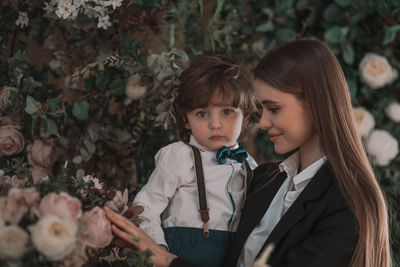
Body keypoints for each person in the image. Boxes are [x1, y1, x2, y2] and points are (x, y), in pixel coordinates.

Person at [106, 39, 392, 267]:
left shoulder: (347, 204)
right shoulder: (263, 178)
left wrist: (166, 261)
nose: (264, 122)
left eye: (274, 109)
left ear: (316, 104)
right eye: (261, 108)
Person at [130, 55, 258, 267]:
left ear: (244, 115)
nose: (215, 124)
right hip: (182, 253)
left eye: (227, 112)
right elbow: (146, 206)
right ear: (185, 121)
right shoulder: (179, 156)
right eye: (202, 114)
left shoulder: (250, 166)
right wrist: (158, 248)